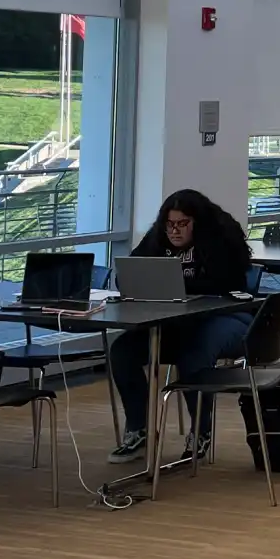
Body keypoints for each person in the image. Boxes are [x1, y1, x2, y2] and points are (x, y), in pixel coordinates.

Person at [107, 189, 253, 464]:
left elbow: (229, 284)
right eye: (170, 224)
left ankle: (200, 431)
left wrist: (180, 286)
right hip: (176, 321)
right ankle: (139, 430)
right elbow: (130, 273)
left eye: (182, 224)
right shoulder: (157, 238)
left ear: (197, 222)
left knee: (193, 354)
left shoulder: (220, 239)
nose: (175, 231)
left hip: (228, 319)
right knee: (122, 351)